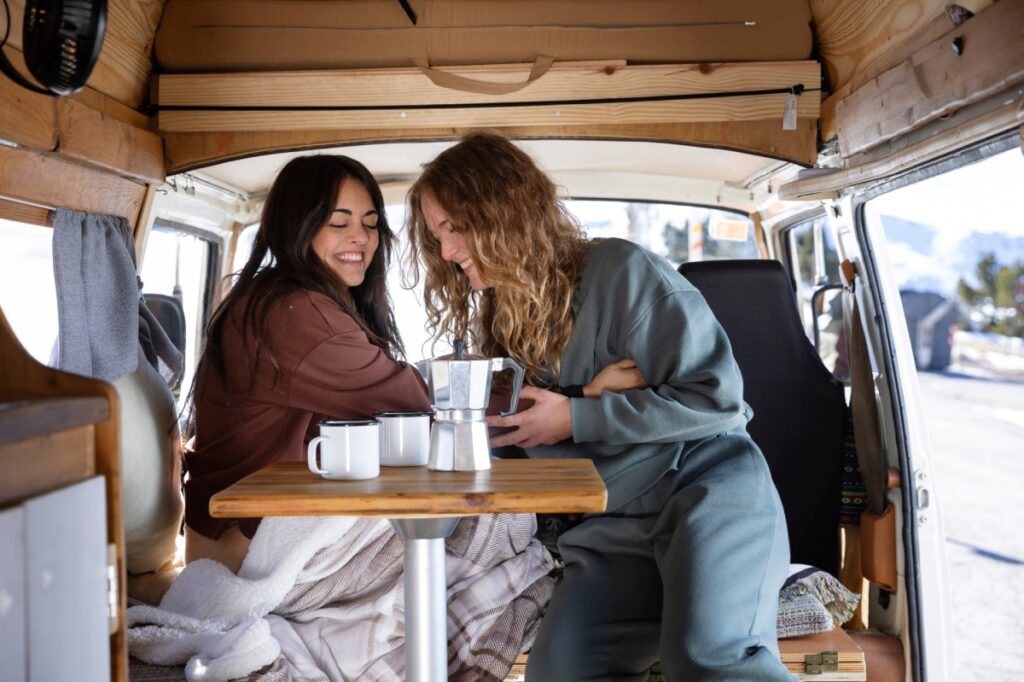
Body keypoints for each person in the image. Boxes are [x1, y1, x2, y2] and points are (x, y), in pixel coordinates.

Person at [406, 132, 792, 681]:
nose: (446, 252)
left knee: (711, 660)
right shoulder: (498, 320)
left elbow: (718, 401)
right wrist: (579, 399)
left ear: (503, 213)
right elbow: (519, 434)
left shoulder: (623, 272)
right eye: (437, 235)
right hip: (610, 528)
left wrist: (574, 417)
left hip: (705, 492)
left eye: (456, 229)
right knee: (559, 673)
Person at [183, 154, 430, 572]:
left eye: (370, 223)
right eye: (339, 223)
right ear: (298, 226)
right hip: (245, 553)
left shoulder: (285, 299)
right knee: (485, 534)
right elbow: (411, 405)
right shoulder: (295, 313)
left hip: (248, 536)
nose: (361, 238)